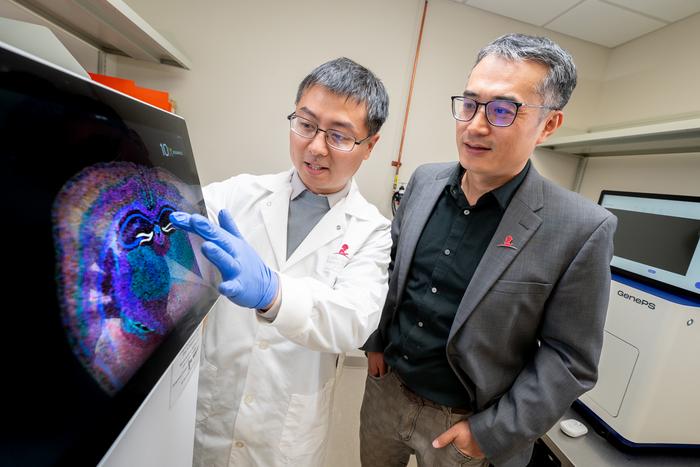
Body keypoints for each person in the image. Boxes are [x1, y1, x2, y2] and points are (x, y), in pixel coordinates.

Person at [360, 33, 617, 467]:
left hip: (467, 423)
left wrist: (488, 434)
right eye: (470, 104)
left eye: (502, 110)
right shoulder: (424, 181)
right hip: (386, 391)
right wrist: (376, 342)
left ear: (549, 125)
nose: (475, 125)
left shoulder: (581, 228)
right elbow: (391, 273)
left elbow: (570, 359)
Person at [169, 57, 391, 467]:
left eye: (339, 136)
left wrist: (274, 293)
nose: (316, 147)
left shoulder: (372, 231)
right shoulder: (237, 195)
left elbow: (354, 321)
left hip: (285, 436)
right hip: (212, 415)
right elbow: (173, 220)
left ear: (370, 145)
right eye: (306, 124)